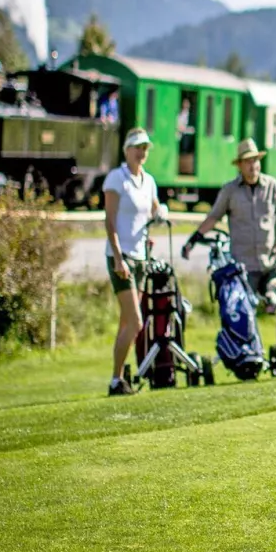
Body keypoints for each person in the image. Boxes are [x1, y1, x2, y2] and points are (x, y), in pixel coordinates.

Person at [103, 127, 166, 396]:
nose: (141, 152)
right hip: (121, 257)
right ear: (127, 150)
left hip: (141, 256)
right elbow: (110, 220)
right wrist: (118, 258)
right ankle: (116, 379)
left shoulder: (148, 181)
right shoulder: (116, 179)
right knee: (137, 322)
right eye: (137, 147)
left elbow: (154, 208)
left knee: (126, 323)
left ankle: (117, 379)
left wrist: (162, 213)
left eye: (145, 148)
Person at [186, 138, 276, 294]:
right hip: (244, 267)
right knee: (245, 313)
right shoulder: (230, 191)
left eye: (255, 160)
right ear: (239, 165)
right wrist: (194, 239)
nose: (253, 165)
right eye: (247, 161)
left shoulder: (272, 186)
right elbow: (213, 217)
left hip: (269, 264)